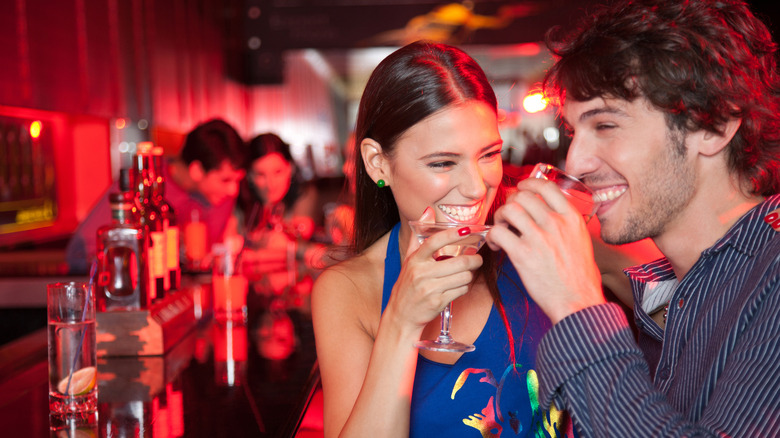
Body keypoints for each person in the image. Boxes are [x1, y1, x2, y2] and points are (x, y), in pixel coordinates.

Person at [486, 0, 780, 436]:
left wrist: (575, 304)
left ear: (714, 127)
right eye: (572, 132)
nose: (576, 161)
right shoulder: (673, 293)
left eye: (604, 125)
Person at [312, 41, 573, 437]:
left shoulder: (535, 238)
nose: (475, 188)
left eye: (488, 155)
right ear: (377, 162)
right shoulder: (348, 290)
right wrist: (400, 322)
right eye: (442, 163)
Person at [66, 118, 246, 273]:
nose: (233, 190)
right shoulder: (141, 184)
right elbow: (79, 254)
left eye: (238, 181)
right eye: (225, 180)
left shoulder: (220, 197)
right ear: (197, 170)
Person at [235, 133, 324, 294]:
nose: (270, 184)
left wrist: (254, 254)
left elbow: (286, 245)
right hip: (251, 294)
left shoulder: (304, 195)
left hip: (298, 289)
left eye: (278, 172)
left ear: (290, 168)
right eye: (260, 174)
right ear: (248, 175)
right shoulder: (240, 201)